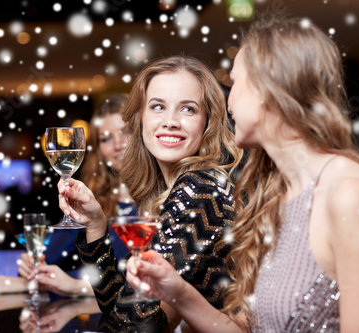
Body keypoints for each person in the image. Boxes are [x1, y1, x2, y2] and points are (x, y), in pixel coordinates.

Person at [125, 14, 359, 332]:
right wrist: (178, 293)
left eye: (235, 83)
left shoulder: (348, 190)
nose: (226, 99)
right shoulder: (273, 196)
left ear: (270, 87)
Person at [54, 55, 243, 331]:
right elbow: (120, 307)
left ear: (208, 121)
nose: (170, 121)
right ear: (140, 119)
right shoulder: (172, 190)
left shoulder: (200, 189)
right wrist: (96, 224)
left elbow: (135, 324)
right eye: (157, 107)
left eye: (188, 109)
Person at [0, 94, 133, 297]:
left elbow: (144, 280)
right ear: (97, 148)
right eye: (106, 138)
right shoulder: (93, 200)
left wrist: (75, 285)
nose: (118, 145)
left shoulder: (162, 198)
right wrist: (28, 270)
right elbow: (49, 259)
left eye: (126, 132)